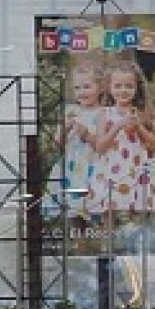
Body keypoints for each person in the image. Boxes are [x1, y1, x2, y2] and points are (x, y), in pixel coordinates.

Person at [87, 58, 155, 218]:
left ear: (137, 88)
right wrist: (118, 126)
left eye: (129, 86)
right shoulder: (105, 114)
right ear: (109, 88)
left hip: (139, 172)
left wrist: (139, 127)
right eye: (118, 86)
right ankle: (108, 242)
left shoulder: (144, 113)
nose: (123, 90)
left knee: (139, 216)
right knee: (110, 214)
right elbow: (100, 147)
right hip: (112, 173)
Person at [44, 63, 104, 218]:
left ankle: (93, 239)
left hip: (92, 166)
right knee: (71, 210)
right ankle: (76, 238)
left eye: (87, 87)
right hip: (70, 166)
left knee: (92, 209)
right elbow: (57, 143)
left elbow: (103, 145)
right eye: (77, 88)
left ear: (100, 88)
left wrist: (87, 135)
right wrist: (66, 128)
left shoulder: (103, 113)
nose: (82, 92)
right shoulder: (71, 111)